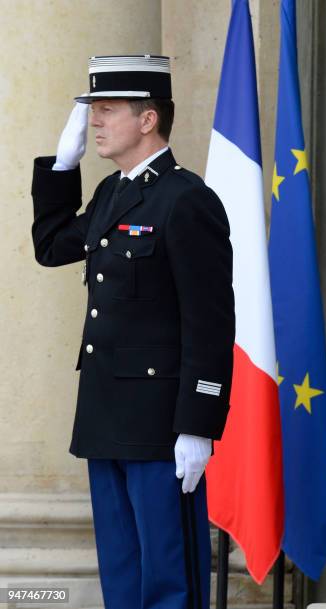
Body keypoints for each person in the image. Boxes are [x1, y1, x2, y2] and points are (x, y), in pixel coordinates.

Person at [31, 55, 234, 609]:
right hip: (106, 417)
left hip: (159, 425)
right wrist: (61, 165)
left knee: (168, 580)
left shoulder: (186, 199)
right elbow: (51, 247)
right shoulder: (112, 194)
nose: (95, 121)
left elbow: (210, 322)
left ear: (148, 120)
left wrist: (198, 424)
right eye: (92, 110)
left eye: (107, 110)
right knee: (122, 576)